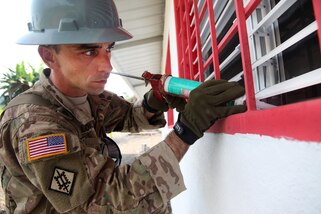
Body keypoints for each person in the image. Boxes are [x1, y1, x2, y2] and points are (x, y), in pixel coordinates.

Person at [0, 0, 246, 213]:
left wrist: (155, 101)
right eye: (89, 51)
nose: (106, 66)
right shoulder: (35, 125)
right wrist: (186, 130)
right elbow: (102, 204)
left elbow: (129, 116)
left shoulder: (90, 96)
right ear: (49, 56)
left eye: (108, 49)